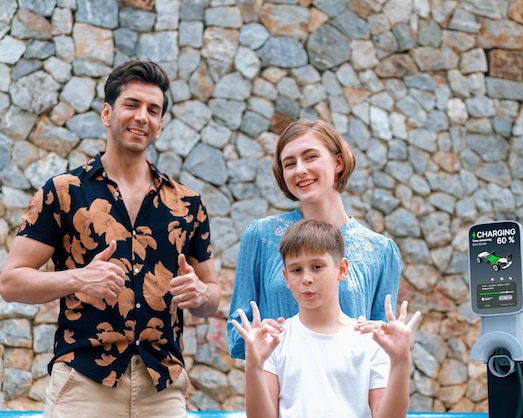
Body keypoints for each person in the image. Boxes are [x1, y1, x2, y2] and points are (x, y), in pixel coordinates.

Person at [0, 60, 220, 418]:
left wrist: (200, 294)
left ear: (160, 124)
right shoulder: (64, 191)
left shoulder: (188, 203)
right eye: (131, 105)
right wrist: (77, 278)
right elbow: (10, 282)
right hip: (84, 383)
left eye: (153, 109)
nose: (142, 117)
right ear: (107, 112)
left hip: (162, 387)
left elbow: (211, 297)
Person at [228, 119, 402, 359]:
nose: (299, 170)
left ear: (338, 162)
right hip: (278, 389)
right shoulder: (261, 236)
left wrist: (383, 337)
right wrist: (256, 334)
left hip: (350, 390)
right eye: (289, 163)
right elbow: (237, 328)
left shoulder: (381, 251)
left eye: (310, 157)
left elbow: (386, 348)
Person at [232, 218, 420, 418]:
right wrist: (253, 366)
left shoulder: (370, 340)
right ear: (286, 277)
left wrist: (400, 361)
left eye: (317, 266)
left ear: (342, 269)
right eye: (297, 270)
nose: (306, 278)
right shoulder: (274, 341)